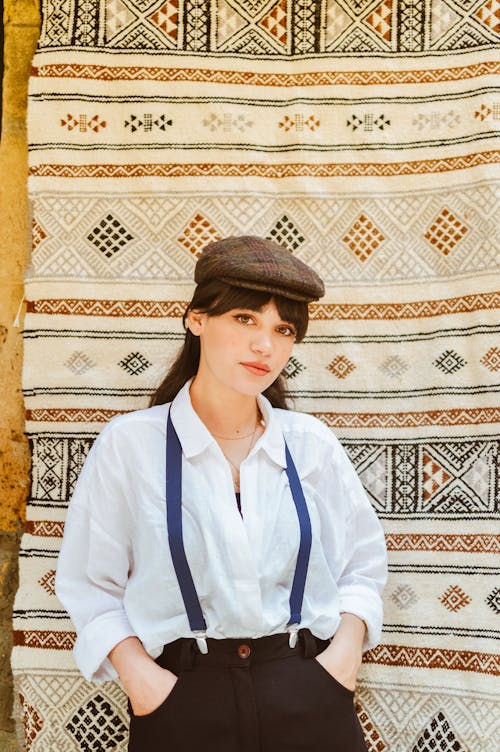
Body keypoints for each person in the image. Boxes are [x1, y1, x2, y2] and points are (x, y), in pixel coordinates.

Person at [56, 235, 387, 752]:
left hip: (308, 687)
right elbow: (90, 585)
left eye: (284, 330)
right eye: (245, 319)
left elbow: (361, 568)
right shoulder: (130, 445)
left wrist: (340, 661)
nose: (265, 346)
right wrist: (145, 682)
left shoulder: (312, 445)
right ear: (197, 320)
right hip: (181, 697)